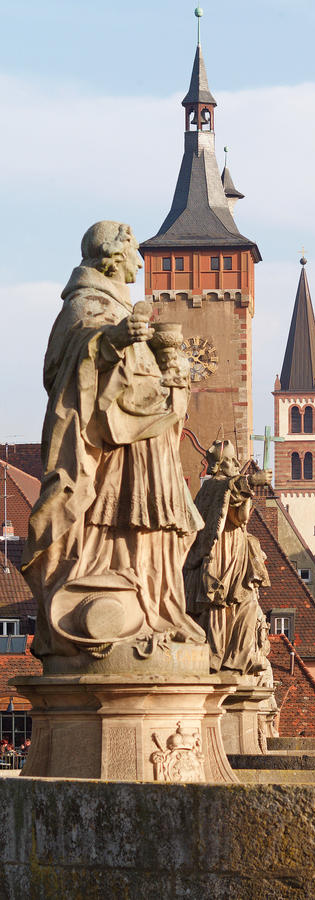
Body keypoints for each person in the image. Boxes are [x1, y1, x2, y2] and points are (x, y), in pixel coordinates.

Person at [22, 221, 205, 661]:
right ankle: (121, 598)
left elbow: (140, 380)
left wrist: (166, 365)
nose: (141, 262)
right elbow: (61, 369)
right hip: (115, 447)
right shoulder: (85, 303)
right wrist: (110, 341)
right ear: (110, 256)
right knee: (119, 523)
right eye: (133, 253)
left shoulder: (119, 306)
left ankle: (157, 605)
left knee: (161, 527)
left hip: (148, 438)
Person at [184, 440, 272, 674]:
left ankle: (237, 658)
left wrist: (248, 489)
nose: (236, 464)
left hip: (236, 549)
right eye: (232, 460)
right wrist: (251, 480)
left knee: (245, 603)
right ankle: (216, 656)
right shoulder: (212, 487)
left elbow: (240, 514)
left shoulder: (224, 485)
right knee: (219, 602)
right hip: (220, 550)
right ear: (221, 464)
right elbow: (230, 492)